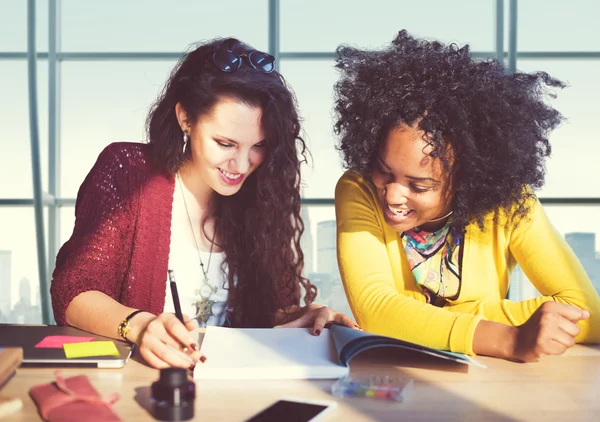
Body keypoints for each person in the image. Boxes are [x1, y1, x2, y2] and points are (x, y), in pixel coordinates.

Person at [51, 37, 358, 370]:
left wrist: (300, 318)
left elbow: (268, 312)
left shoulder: (264, 195)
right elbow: (74, 290)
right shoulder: (128, 172)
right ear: (185, 118)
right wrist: (141, 326)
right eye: (225, 143)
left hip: (233, 393)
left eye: (258, 146)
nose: (241, 165)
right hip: (147, 386)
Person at [332, 30, 600, 363]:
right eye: (384, 171)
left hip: (491, 381)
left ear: (466, 179)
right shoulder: (359, 189)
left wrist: (420, 317)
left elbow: (587, 313)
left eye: (419, 186)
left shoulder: (511, 204)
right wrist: (507, 337)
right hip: (401, 376)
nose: (393, 195)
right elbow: (377, 312)